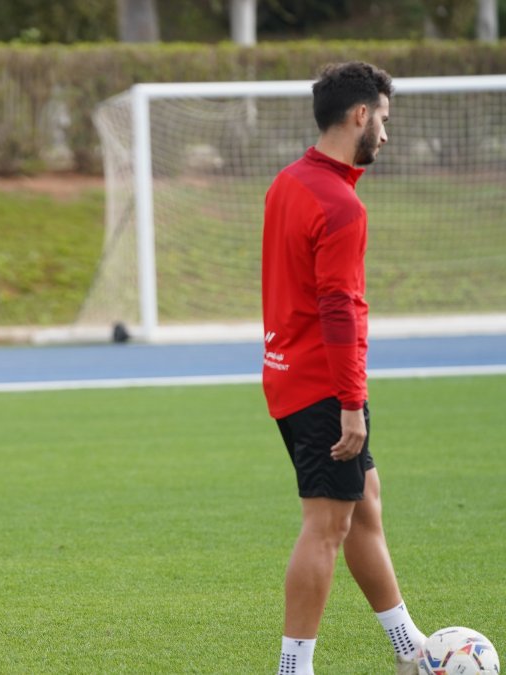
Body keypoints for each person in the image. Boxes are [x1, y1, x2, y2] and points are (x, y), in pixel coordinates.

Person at [262, 62, 426, 675]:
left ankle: (409, 646)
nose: (384, 133)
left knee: (364, 502)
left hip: (285, 372)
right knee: (326, 524)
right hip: (322, 385)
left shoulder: (290, 181)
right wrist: (351, 403)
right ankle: (293, 667)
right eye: (383, 119)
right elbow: (339, 309)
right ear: (360, 114)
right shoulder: (340, 206)